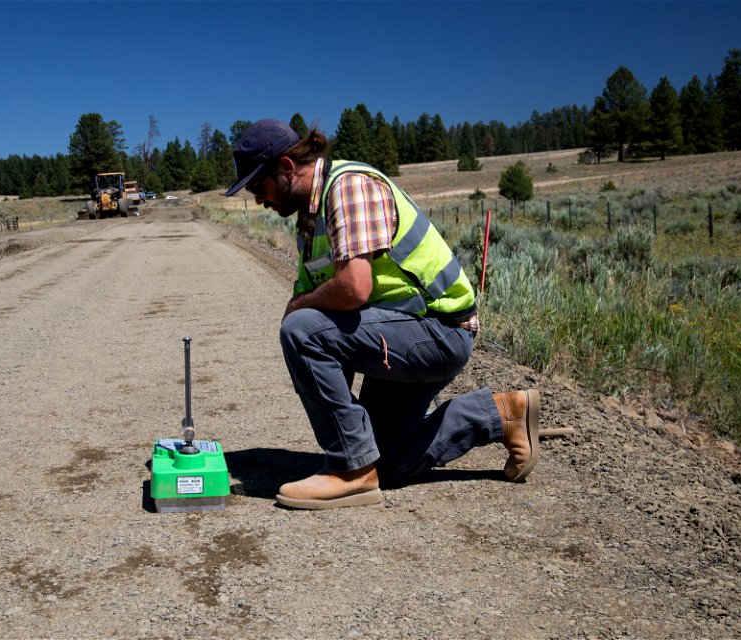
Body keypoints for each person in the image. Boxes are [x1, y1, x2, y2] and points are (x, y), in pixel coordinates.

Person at [225, 119, 540, 510]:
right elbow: (324, 311)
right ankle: (500, 413)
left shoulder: (348, 187)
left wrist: (300, 313)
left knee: (300, 329)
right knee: (384, 463)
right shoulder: (309, 221)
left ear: (287, 169)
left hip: (439, 330)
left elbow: (354, 288)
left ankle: (349, 471)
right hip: (398, 334)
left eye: (259, 186)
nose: (258, 199)